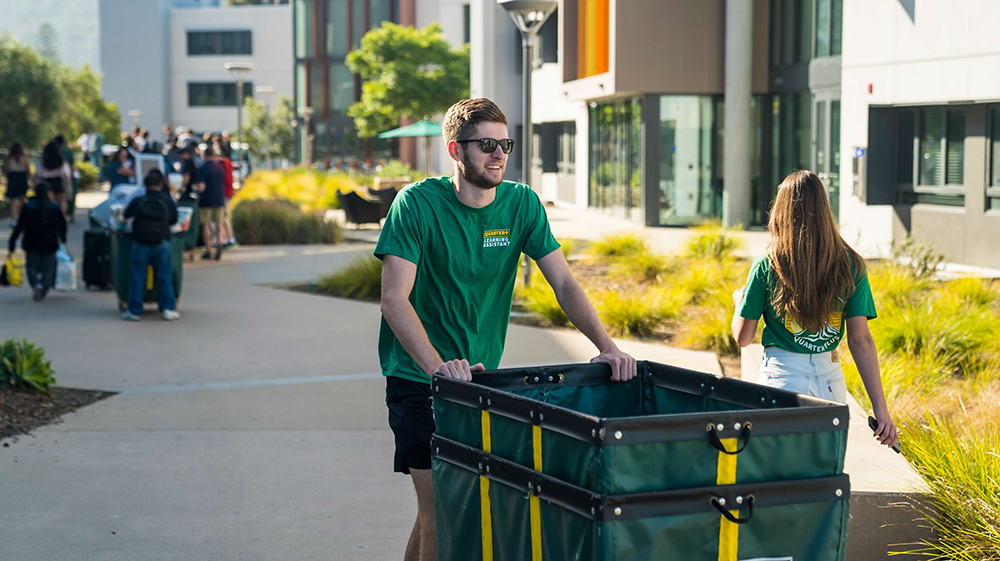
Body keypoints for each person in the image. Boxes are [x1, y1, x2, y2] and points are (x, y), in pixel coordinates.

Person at [375, 98, 636, 561]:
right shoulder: (415, 204)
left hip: (478, 383)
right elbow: (394, 298)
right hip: (419, 380)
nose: (499, 154)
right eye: (487, 145)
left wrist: (607, 348)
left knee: (436, 509)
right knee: (447, 510)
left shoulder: (521, 204)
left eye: (505, 144)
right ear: (456, 151)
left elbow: (564, 282)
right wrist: (438, 369)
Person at [731, 169, 898, 450]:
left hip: (780, 379)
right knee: (822, 476)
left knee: (779, 474)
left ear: (781, 212)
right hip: (830, 382)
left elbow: (743, 338)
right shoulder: (850, 265)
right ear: (823, 209)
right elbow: (860, 339)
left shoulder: (767, 265)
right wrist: (881, 410)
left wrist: (740, 304)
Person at [122, 169, 179, 321]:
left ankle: (134, 311)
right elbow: (174, 220)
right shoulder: (167, 200)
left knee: (137, 276)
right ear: (161, 185)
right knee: (164, 276)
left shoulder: (139, 200)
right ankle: (168, 309)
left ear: (145, 185)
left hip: (140, 243)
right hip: (162, 242)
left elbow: (126, 214)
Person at [7, 183, 67, 301]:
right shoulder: (54, 207)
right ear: (48, 192)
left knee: (31, 267)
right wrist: (63, 240)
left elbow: (19, 226)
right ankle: (43, 288)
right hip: (50, 243)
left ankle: (36, 285)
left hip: (31, 243)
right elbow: (62, 225)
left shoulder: (28, 207)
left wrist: (12, 243)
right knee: (48, 268)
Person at [195, 145, 226, 260]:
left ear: (204, 155)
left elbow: (201, 187)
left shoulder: (202, 169)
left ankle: (209, 249)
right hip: (219, 200)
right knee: (219, 224)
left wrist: (195, 189)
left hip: (206, 201)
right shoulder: (219, 168)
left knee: (206, 225)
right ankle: (219, 244)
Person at [210, 141, 236, 247]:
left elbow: (226, 180)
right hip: (226, 193)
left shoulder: (223, 164)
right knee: (224, 217)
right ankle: (228, 238)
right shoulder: (227, 163)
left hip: (224, 193)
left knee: (223, 217)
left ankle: (226, 239)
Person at [36, 141, 70, 216]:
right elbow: (66, 172)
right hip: (58, 181)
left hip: (46, 182)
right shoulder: (61, 159)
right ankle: (61, 217)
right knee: (61, 200)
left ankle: (51, 217)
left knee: (50, 201)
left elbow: (39, 173)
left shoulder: (42, 160)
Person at [3, 142, 32, 227]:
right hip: (22, 180)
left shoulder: (9, 159)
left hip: (13, 180)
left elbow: (5, 170)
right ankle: (23, 218)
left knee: (14, 201)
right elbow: (28, 171)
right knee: (23, 200)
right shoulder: (25, 158)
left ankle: (14, 219)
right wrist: (31, 181)